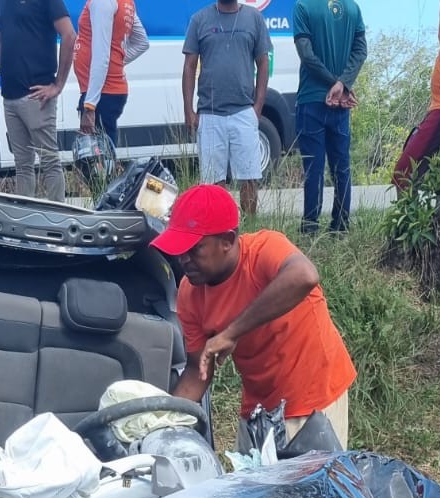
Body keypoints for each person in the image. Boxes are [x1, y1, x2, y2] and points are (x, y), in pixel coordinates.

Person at [153, 183, 355, 450]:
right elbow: (196, 372)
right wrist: (162, 423)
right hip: (259, 406)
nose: (184, 259)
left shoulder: (264, 250)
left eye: (195, 249)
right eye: (180, 249)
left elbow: (305, 276)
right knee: (250, 477)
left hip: (312, 399)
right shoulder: (190, 293)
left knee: (311, 479)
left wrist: (231, 333)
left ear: (228, 240)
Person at [181, 0, 271, 219]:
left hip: (244, 112)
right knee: (213, 182)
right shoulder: (199, 20)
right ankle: (220, 228)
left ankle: (249, 225)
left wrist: (257, 108)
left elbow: (263, 63)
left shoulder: (254, 18)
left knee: (249, 177)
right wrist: (188, 110)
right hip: (210, 113)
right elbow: (189, 66)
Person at [291, 0, 366, 236]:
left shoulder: (303, 6)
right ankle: (341, 225)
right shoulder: (352, 7)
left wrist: (333, 83)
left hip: (312, 98)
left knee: (313, 167)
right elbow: (360, 51)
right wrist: (343, 83)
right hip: (340, 103)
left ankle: (311, 226)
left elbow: (306, 53)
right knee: (341, 166)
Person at [0, 0, 75, 201]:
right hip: (10, 95)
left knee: (49, 161)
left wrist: (58, 85)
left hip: (37, 95)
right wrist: (6, 74)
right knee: (22, 165)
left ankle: (58, 213)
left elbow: (69, 35)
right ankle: (24, 213)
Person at [74, 0, 148, 150]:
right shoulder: (126, 3)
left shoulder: (102, 2)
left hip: (100, 92)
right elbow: (142, 42)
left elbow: (101, 55)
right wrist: (115, 63)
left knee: (96, 157)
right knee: (104, 152)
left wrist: (89, 106)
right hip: (108, 90)